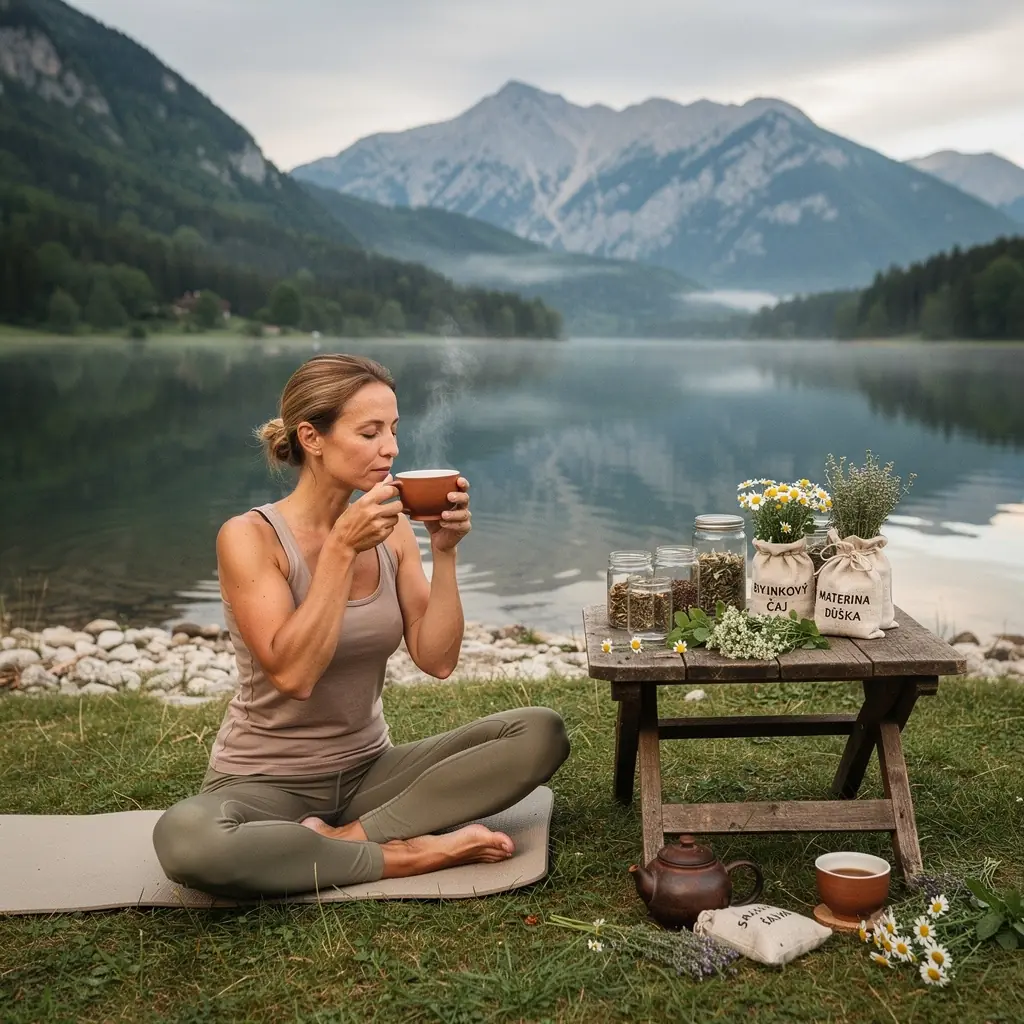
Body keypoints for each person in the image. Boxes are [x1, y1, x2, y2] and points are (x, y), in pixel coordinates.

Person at [153, 354, 570, 897]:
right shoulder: (249, 537)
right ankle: (405, 854)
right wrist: (341, 549)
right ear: (312, 437)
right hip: (262, 783)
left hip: (369, 773)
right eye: (370, 432)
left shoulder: (393, 532)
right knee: (189, 842)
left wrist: (444, 554)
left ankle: (351, 838)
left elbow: (437, 660)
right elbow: (293, 675)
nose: (391, 448)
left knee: (541, 732)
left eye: (394, 430)